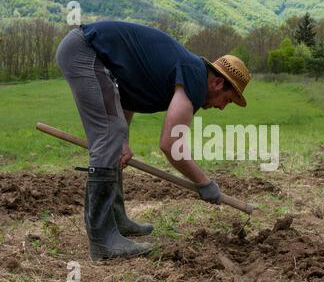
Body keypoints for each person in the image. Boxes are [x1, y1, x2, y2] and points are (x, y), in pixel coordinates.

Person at [55, 21, 251, 260]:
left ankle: (117, 221)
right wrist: (204, 183)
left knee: (115, 138)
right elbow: (170, 145)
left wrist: (123, 141)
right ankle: (103, 240)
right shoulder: (194, 80)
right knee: (108, 138)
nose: (221, 108)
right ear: (217, 83)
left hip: (88, 50)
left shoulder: (191, 72)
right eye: (227, 100)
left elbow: (126, 95)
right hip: (85, 50)